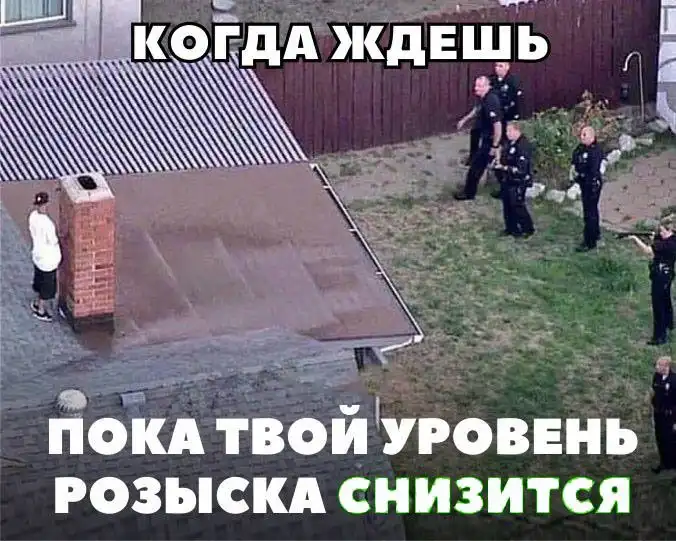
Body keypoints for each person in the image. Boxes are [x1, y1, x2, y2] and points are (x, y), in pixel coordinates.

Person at [627, 219, 676, 345]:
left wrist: (635, 239)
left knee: (658, 305)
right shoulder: (673, 241)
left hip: (660, 276)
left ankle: (659, 336)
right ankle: (669, 323)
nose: (660, 233)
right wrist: (655, 239)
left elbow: (648, 251)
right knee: (666, 300)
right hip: (668, 274)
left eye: (662, 231)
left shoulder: (665, 245)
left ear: (669, 230)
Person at [454, 76, 503, 201]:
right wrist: (464, 119)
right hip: (487, 137)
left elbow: (497, 125)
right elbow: (477, 109)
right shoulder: (483, 98)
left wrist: (495, 146)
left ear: (488, 86)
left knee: (476, 168)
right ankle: (507, 189)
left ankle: (468, 193)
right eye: (476, 85)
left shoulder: (491, 101)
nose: (476, 88)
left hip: (492, 139)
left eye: (480, 86)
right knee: (495, 166)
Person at [493, 121, 535, 237]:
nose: (507, 133)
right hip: (508, 179)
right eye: (507, 131)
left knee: (517, 205)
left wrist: (504, 167)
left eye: (509, 131)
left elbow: (521, 169)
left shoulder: (523, 146)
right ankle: (511, 228)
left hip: (518, 181)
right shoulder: (510, 142)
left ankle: (527, 229)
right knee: (507, 204)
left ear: (517, 131)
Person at [489, 62, 524, 198]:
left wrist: (514, 122)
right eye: (496, 66)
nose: (498, 68)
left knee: (508, 149)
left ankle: (508, 186)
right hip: (497, 119)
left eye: (501, 66)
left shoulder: (513, 81)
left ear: (507, 67)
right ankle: (500, 180)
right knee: (497, 146)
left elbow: (518, 101)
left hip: (509, 119)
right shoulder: (493, 80)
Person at [570, 126, 605, 252]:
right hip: (584, 184)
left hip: (592, 185)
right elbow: (575, 157)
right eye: (581, 134)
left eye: (585, 135)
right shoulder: (581, 148)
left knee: (590, 213)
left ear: (592, 136)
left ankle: (590, 241)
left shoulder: (595, 151)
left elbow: (592, 169)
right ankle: (596, 233)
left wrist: (581, 172)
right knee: (590, 210)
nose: (581, 137)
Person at [28, 191, 61, 322]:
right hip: (48, 259)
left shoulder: (32, 216)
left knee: (39, 279)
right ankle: (41, 310)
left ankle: (36, 303)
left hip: (37, 255)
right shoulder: (48, 224)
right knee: (47, 286)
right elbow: (53, 241)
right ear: (47, 204)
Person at [649, 356, 676, 476]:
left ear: (666, 367)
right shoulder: (657, 376)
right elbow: (655, 391)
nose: (656, 367)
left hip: (671, 416)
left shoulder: (674, 380)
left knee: (673, 442)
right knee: (661, 439)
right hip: (659, 414)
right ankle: (664, 463)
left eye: (659, 365)